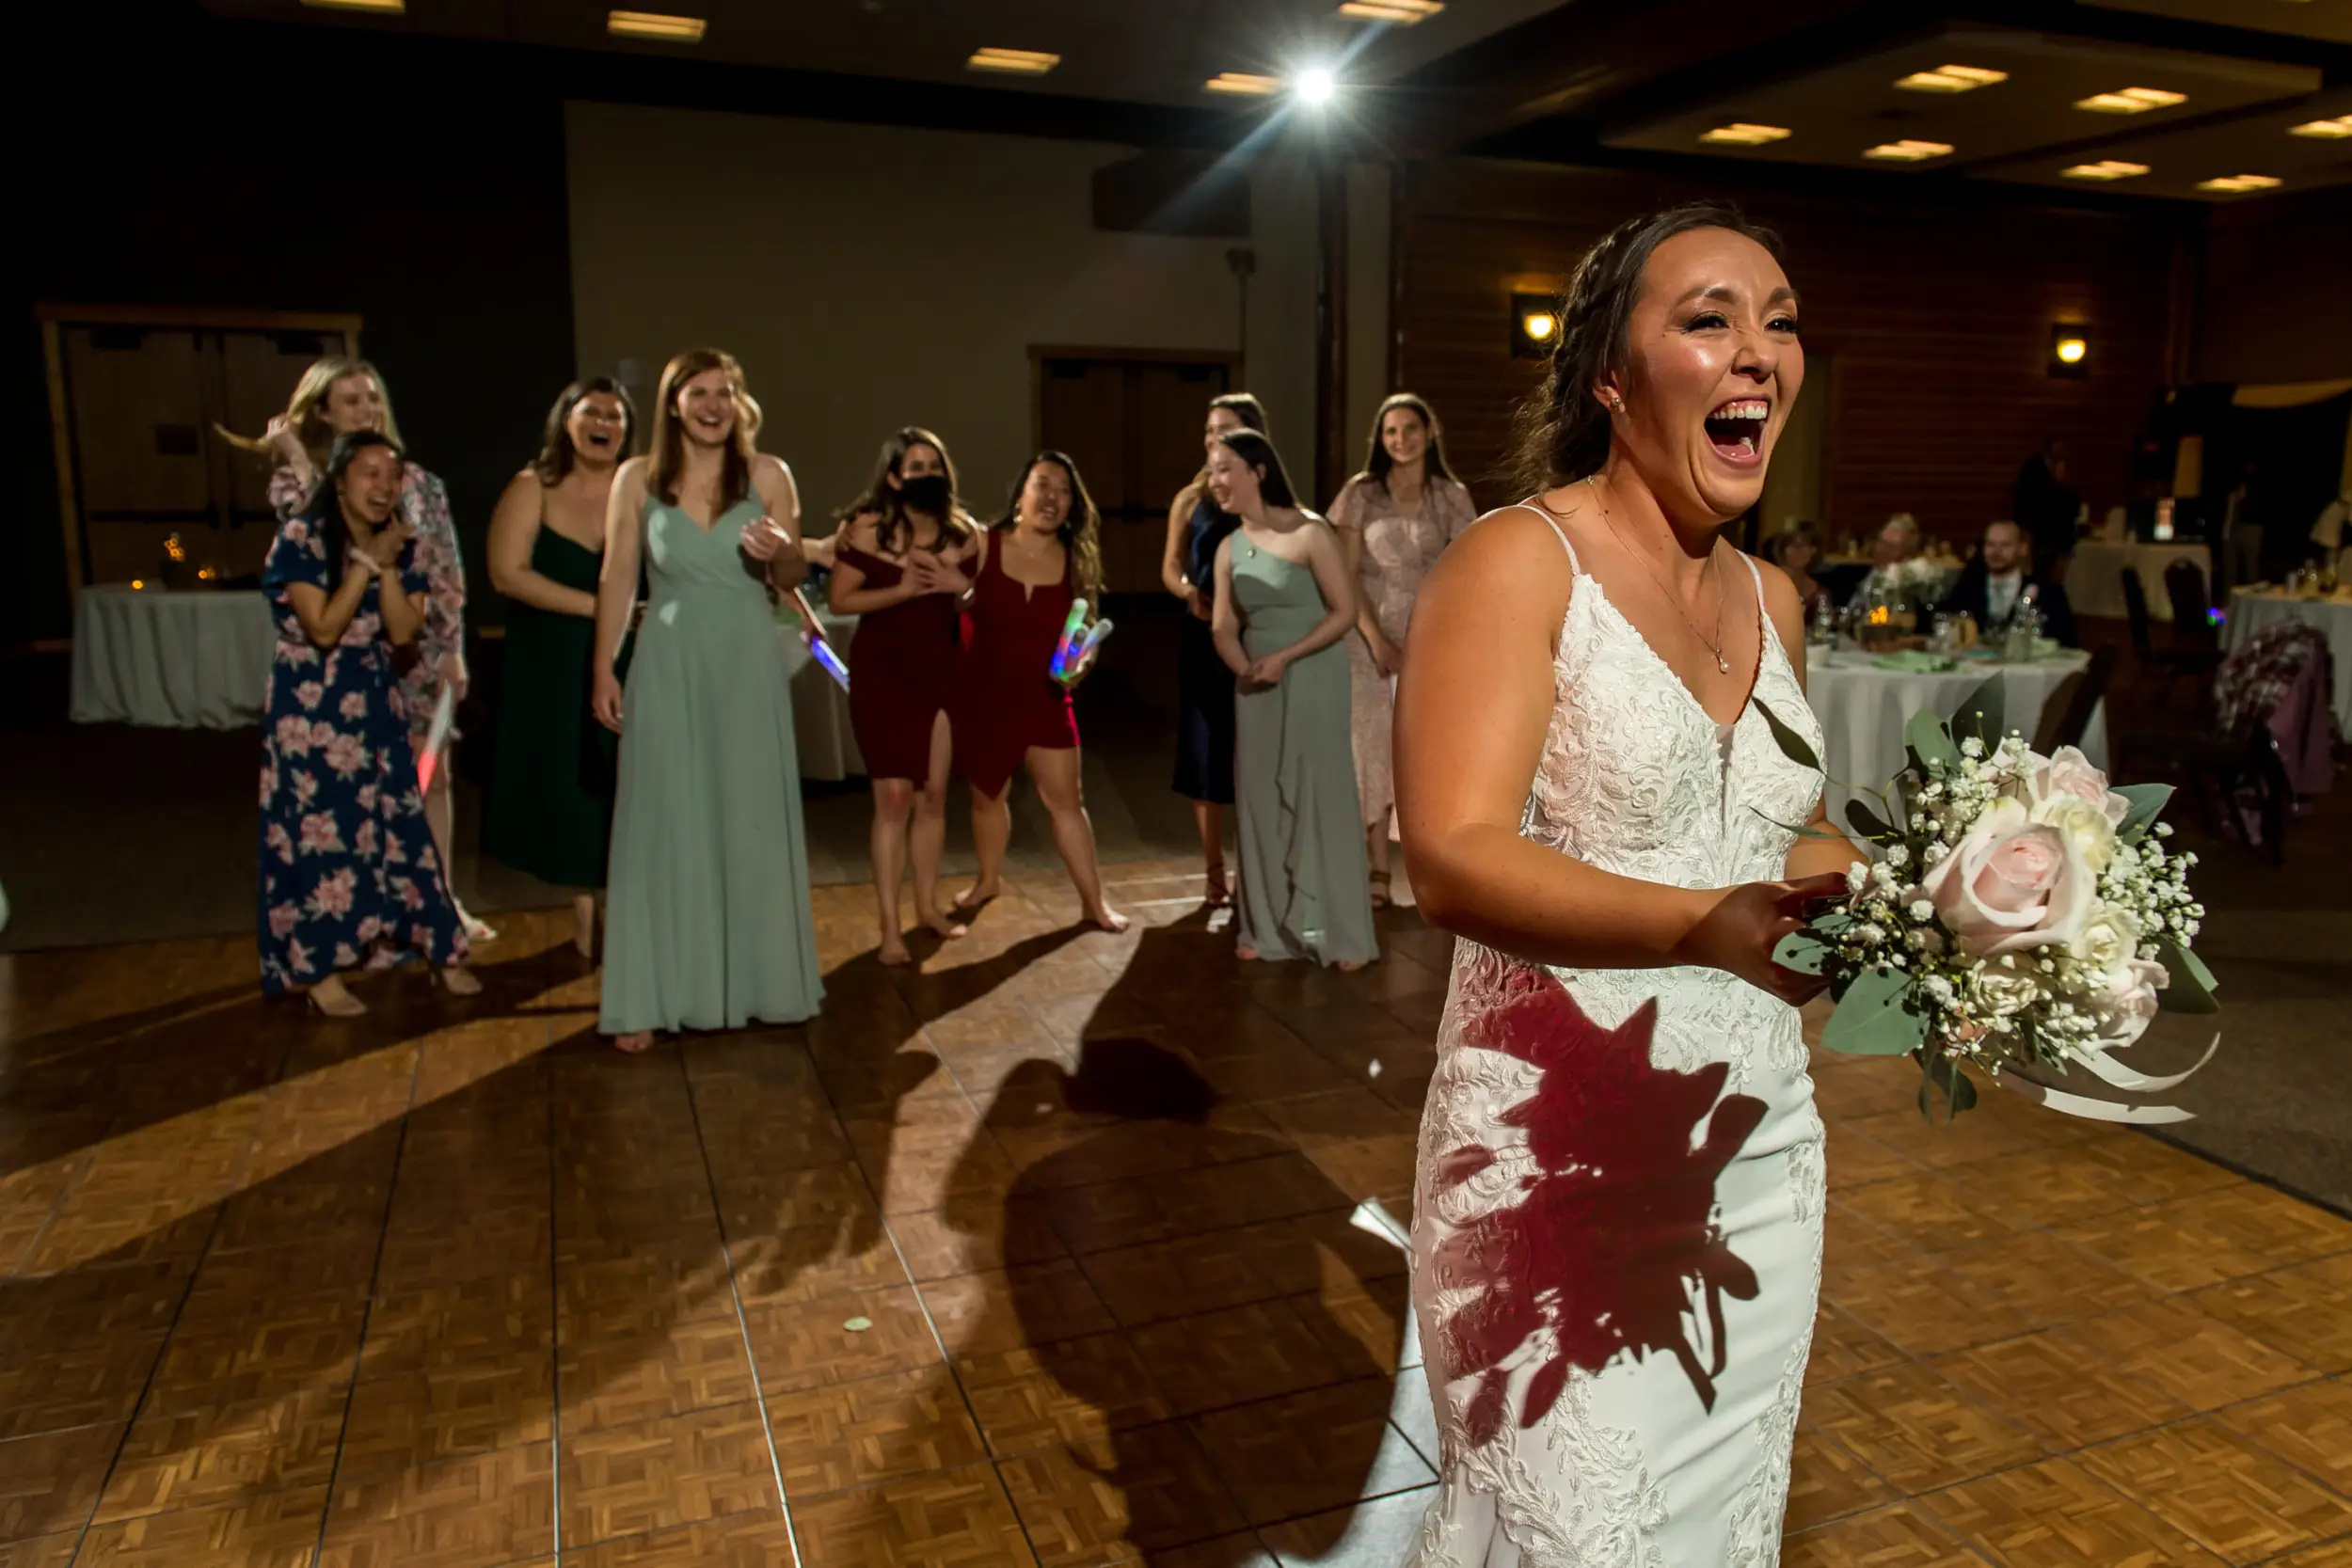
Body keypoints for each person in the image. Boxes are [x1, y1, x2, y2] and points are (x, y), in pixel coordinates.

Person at [1392, 203, 1865, 1562]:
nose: (1758, 353)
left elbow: (1786, 823)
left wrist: (1922, 897)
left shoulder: (1776, 600)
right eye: (1708, 318)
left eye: (1779, 321)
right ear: (1609, 371)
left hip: (1756, 1147)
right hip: (1551, 1163)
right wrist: (1697, 928)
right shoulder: (1515, 561)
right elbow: (1453, 853)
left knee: (1720, 1523)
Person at [591, 348, 823, 1050]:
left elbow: (791, 576)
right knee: (664, 816)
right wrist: (604, 667)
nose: (713, 404)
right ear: (673, 403)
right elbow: (616, 577)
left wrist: (782, 548)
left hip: (746, 658)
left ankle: (760, 982)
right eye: (699, 392)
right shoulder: (636, 479)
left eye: (725, 392)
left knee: (746, 812)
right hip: (667, 657)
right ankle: (654, 993)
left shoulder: (767, 475)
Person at [260, 357, 491, 942]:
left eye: (373, 398)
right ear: (324, 411)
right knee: (357, 790)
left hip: (414, 651)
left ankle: (438, 902)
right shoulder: (298, 481)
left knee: (431, 776)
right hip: (340, 661)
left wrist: (453, 649)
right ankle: (369, 911)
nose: (368, 409)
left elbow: (444, 571)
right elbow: (317, 540)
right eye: (352, 401)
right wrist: (292, 454)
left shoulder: (420, 483)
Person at [1209, 430, 1376, 969]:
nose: (1216, 482)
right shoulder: (1227, 547)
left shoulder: (1309, 532)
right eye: (1211, 472)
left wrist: (1287, 657)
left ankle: (1341, 934)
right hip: (1257, 684)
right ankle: (1268, 929)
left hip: (1313, 674)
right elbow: (1222, 626)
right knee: (1259, 800)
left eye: (1224, 469)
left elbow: (1344, 611)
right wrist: (1248, 669)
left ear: (1257, 471)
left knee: (1320, 792)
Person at [483, 377, 635, 958]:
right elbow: (506, 573)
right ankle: (583, 914)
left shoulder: (643, 487)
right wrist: (599, 608)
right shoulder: (533, 487)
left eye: (615, 416)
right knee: (571, 785)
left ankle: (624, 909)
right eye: (591, 412)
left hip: (631, 655)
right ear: (565, 421)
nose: (603, 424)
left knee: (625, 779)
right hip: (552, 659)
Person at [952, 451, 1129, 933]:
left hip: (1046, 698)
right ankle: (988, 880)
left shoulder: (1076, 559)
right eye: (1042, 485)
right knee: (988, 797)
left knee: (1067, 803)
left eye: (1063, 490)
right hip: (985, 695)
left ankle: (1094, 902)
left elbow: (1084, 632)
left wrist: (1082, 663)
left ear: (1073, 505)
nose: (1051, 497)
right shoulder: (984, 545)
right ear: (1021, 494)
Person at [827, 428, 977, 966]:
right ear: (894, 477)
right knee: (891, 801)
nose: (927, 475)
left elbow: (974, 604)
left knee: (932, 797)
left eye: (934, 466)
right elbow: (840, 599)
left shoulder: (964, 535)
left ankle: (927, 910)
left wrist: (959, 588)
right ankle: (889, 927)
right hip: (882, 676)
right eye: (915, 467)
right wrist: (903, 591)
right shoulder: (866, 531)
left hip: (940, 674)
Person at [1329, 393, 1476, 911]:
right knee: (1370, 747)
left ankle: (1423, 865)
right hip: (1366, 637)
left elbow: (1465, 572)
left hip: (1431, 638)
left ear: (1429, 432)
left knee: (1422, 754)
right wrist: (1377, 640)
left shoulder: (1450, 496)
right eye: (1390, 431)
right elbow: (1343, 575)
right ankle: (1372, 864)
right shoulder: (1360, 494)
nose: (1400, 440)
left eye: (1410, 429)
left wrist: (1434, 644)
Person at [1160, 392, 1266, 906]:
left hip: (1256, 636)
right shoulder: (1189, 498)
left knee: (1251, 753)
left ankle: (1256, 869)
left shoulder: (1264, 498)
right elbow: (1170, 566)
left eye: (1224, 429)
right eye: (1208, 430)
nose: (1211, 439)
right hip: (1202, 637)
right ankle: (1212, 870)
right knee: (1204, 753)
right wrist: (1190, 594)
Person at [1939, 517, 2076, 646]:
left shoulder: (2049, 593)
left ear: (2022, 549)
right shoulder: (1967, 588)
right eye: (1990, 545)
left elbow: (2067, 643)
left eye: (2005, 545)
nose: (1996, 552)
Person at [2013, 436, 2079, 578]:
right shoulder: (2034, 467)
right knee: (2037, 574)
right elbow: (2028, 501)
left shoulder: (2063, 469)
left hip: (2056, 535)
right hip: (2039, 532)